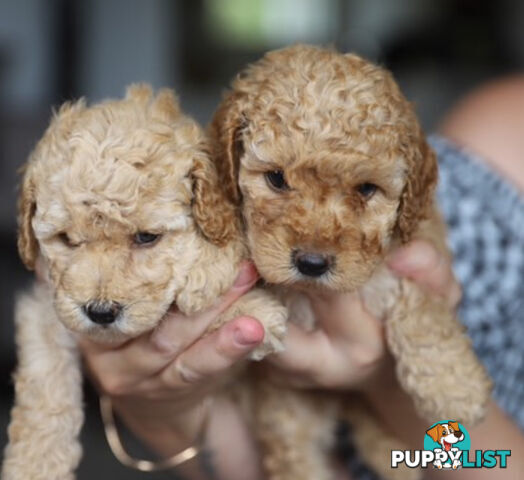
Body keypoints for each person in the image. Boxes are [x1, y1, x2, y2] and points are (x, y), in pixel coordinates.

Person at [81, 76, 524, 480]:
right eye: (278, 179)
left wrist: (391, 387)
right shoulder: (499, 138)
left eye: (364, 191)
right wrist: (168, 417)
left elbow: (487, 461)